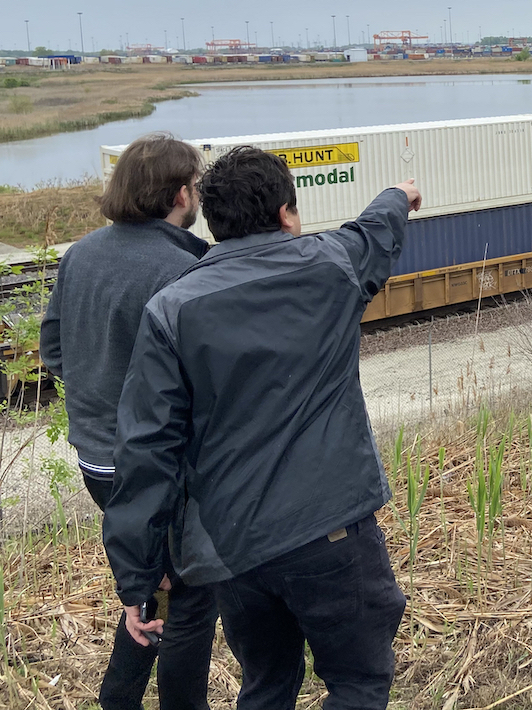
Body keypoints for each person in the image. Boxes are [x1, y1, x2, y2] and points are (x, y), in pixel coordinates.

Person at [102, 146, 422, 710]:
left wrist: (138, 579)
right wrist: (400, 196)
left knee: (267, 685)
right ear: (285, 215)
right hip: (332, 534)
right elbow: (375, 229)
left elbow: (145, 451)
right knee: (358, 683)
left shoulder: (171, 309)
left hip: (236, 550)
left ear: (214, 221)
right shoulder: (332, 265)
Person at [40, 132, 219, 710]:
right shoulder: (183, 270)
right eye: (194, 186)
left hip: (97, 462)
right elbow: (202, 385)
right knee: (187, 599)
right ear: (180, 193)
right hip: (154, 469)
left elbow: (53, 349)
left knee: (155, 585)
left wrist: (99, 393)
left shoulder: (81, 254)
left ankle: (117, 698)